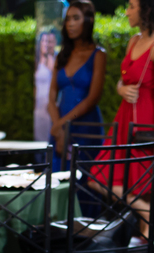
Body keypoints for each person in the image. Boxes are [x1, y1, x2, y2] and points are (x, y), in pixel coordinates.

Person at [90, 0, 154, 241]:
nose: (126, 12)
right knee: (98, 178)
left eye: (131, 6)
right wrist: (120, 88)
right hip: (124, 119)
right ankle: (153, 217)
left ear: (146, 9)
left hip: (144, 122)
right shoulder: (133, 41)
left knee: (140, 185)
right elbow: (124, 78)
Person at [47, 0, 107, 171]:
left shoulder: (98, 55)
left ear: (88, 20)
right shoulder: (62, 55)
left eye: (76, 18)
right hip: (59, 126)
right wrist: (58, 127)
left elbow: (93, 98)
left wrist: (62, 123)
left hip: (85, 127)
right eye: (67, 19)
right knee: (55, 176)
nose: (70, 24)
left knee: (83, 177)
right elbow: (51, 97)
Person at [34, 31, 57, 144]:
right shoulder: (36, 60)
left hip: (51, 105)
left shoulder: (56, 60)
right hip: (38, 107)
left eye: (50, 41)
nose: (47, 44)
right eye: (44, 41)